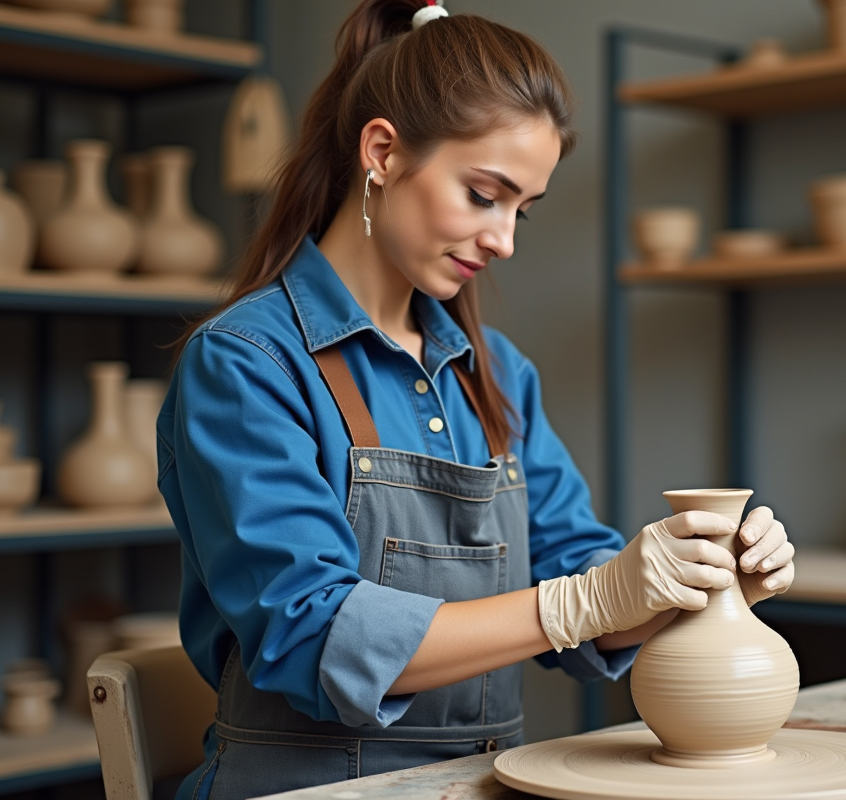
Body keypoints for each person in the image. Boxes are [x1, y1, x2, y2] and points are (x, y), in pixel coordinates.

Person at [161, 2, 797, 799]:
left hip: (481, 783)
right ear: (383, 152)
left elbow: (577, 575)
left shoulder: (495, 371)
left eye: (522, 209)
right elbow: (310, 632)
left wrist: (691, 579)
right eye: (483, 195)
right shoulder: (247, 363)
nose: (505, 241)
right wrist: (586, 600)